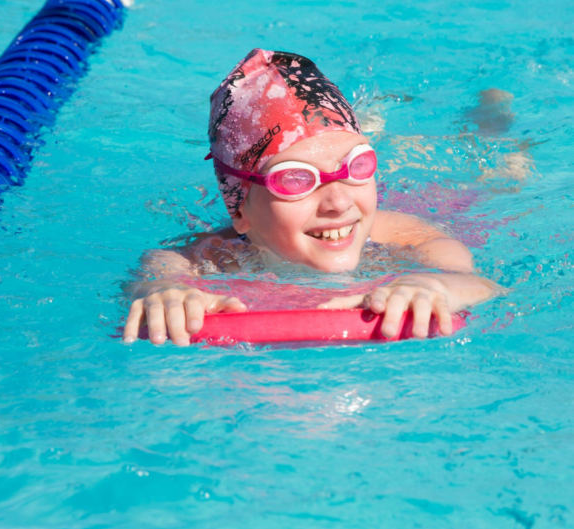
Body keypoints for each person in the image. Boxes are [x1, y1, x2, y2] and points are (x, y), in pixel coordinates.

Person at [124, 49, 497, 346]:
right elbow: (157, 275)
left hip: (445, 194)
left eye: (358, 164)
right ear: (239, 209)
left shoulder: (411, 241)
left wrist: (431, 286)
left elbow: (480, 284)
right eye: (296, 179)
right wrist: (167, 292)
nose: (338, 202)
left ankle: (494, 110)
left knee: (497, 167)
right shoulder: (212, 257)